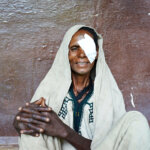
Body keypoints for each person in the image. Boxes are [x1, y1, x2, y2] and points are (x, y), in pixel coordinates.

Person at [13, 25, 150, 150]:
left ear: (96, 54)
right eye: (74, 48)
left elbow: (110, 146)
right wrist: (19, 122)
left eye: (88, 48)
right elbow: (28, 122)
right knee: (33, 129)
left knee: (135, 120)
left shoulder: (108, 95)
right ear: (65, 53)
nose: (82, 54)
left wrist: (65, 132)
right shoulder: (50, 91)